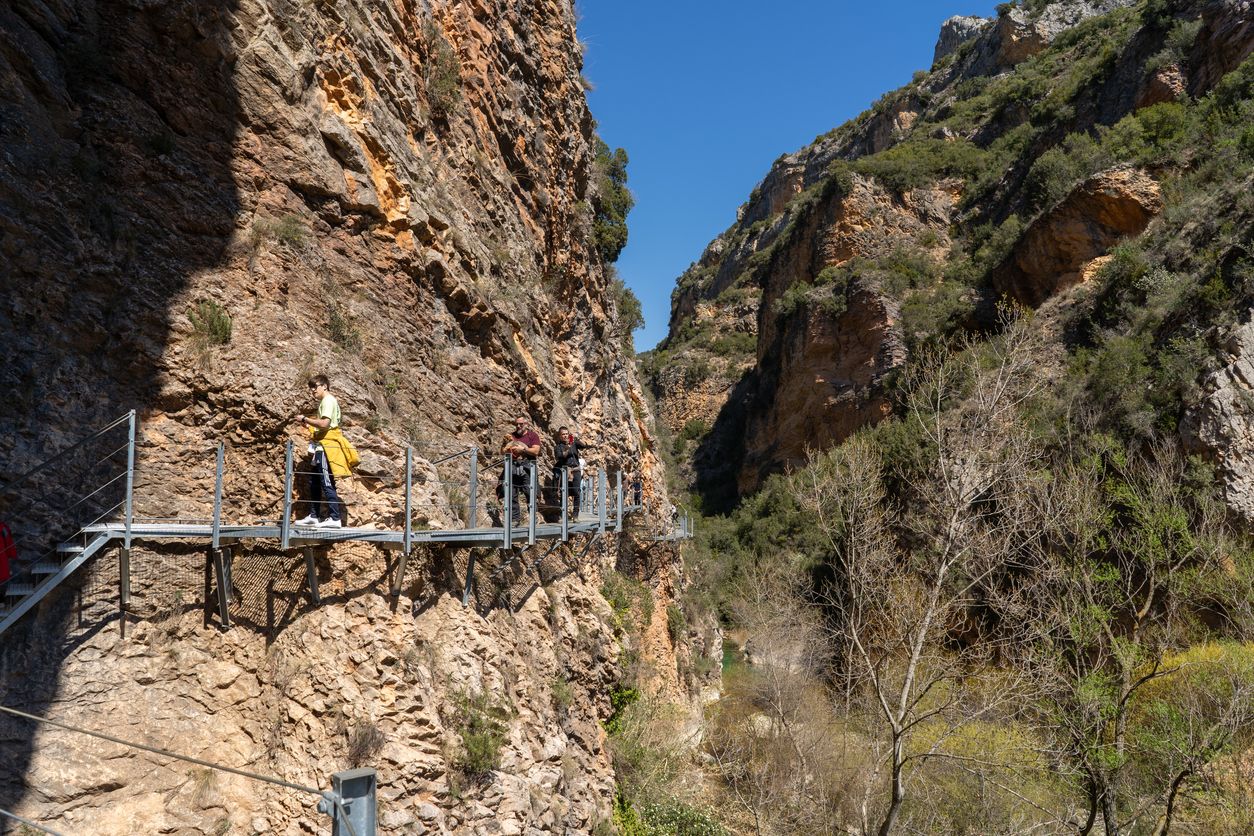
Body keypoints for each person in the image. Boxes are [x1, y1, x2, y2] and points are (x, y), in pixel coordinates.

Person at [294, 375, 357, 528]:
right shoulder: (325, 401)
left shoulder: (328, 401)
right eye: (311, 388)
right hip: (321, 447)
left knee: (326, 481)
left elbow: (324, 423)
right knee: (314, 481)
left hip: (326, 448)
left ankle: (335, 518)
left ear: (324, 386)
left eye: (314, 387)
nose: (312, 391)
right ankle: (314, 516)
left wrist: (305, 419)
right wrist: (310, 427)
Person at [498, 415, 541, 525]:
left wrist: (524, 449)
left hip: (528, 466)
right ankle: (515, 519)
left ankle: (534, 517)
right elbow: (503, 452)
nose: (518, 426)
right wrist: (504, 443)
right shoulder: (511, 436)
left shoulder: (533, 436)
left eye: (521, 424)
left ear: (526, 424)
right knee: (512, 492)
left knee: (529, 491)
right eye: (516, 424)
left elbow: (536, 451)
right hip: (513, 465)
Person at [553, 426, 590, 519]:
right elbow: (560, 457)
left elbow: (583, 446)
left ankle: (575, 515)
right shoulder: (558, 447)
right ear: (560, 436)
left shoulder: (574, 443)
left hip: (576, 470)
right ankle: (563, 515)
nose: (565, 436)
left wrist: (576, 439)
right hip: (565, 471)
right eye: (563, 434)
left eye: (566, 434)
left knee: (577, 492)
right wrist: (567, 448)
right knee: (564, 493)